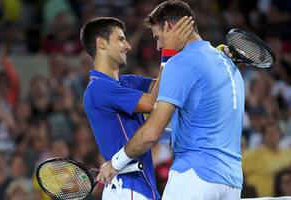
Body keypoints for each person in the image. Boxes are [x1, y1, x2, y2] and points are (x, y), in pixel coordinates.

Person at [97, 1, 245, 200]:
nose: (158, 46)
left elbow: (151, 133)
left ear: (169, 27)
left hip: (195, 177)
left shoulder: (180, 63)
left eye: (158, 37)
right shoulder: (226, 61)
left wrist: (114, 164)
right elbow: (197, 126)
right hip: (232, 183)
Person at [80, 16, 194, 200]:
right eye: (120, 39)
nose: (128, 46)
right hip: (128, 188)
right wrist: (169, 53)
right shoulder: (99, 88)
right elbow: (152, 103)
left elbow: (170, 85)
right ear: (101, 43)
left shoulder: (125, 83)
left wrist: (211, 58)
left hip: (138, 187)